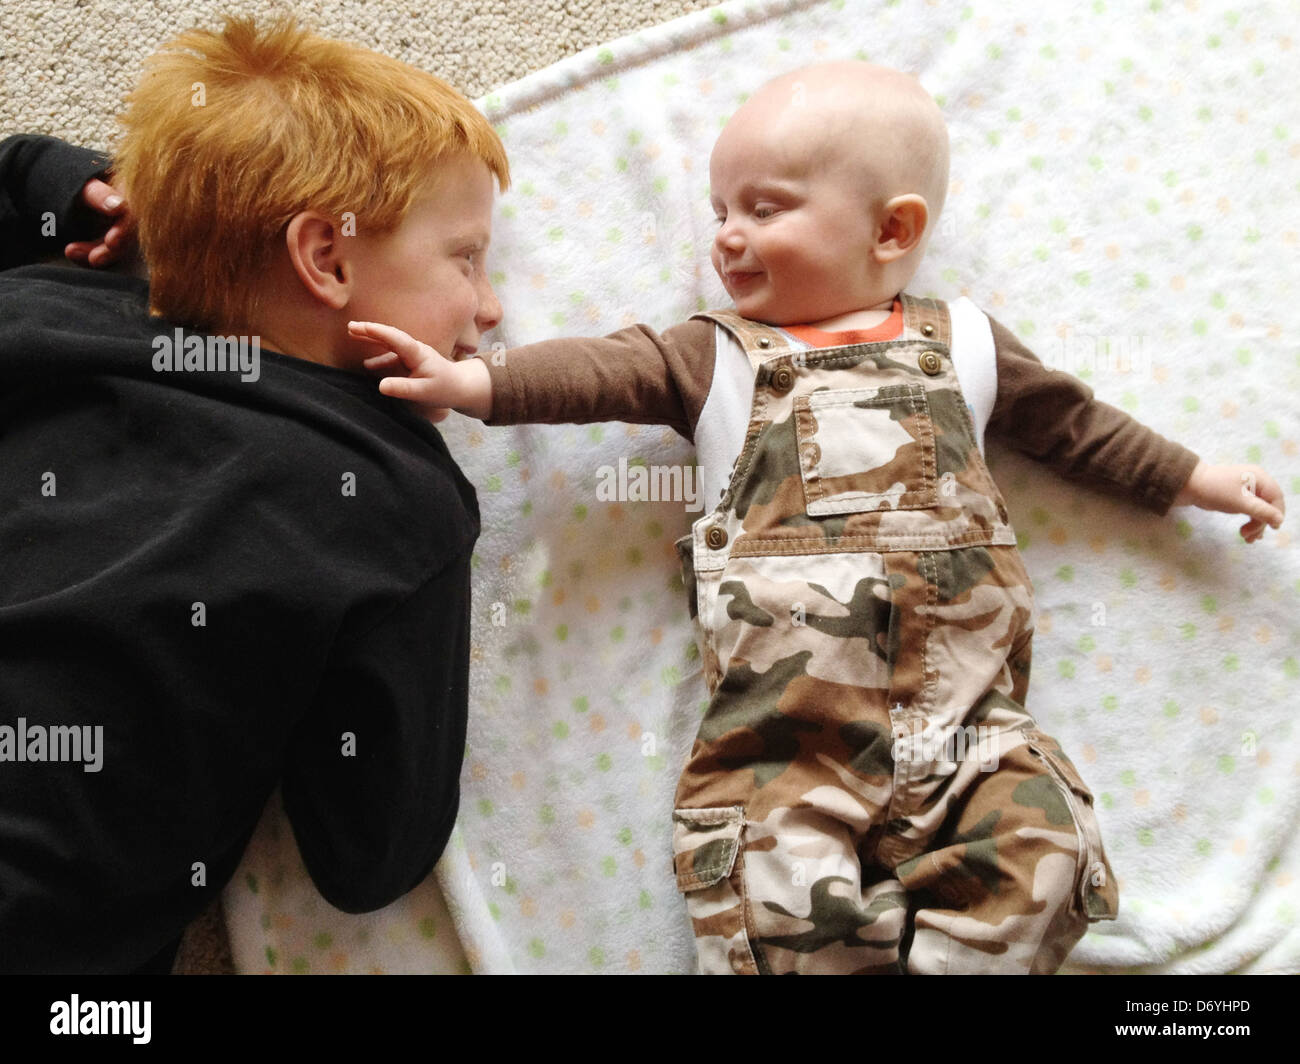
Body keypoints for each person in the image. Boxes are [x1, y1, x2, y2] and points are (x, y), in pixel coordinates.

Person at [348, 61, 1286, 974]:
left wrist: (1194, 476)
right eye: (720, 212)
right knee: (772, 908)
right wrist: (470, 382)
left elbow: (1076, 427)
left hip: (970, 730)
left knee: (1047, 857)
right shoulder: (712, 355)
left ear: (891, 230)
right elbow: (597, 370)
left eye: (764, 208)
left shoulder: (962, 342)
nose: (726, 237)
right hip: (782, 740)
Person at [0, 15, 507, 974]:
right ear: (327, 258)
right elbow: (372, 854)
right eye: (466, 258)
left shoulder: (39, 307)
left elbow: (10, 176)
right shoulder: (390, 488)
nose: (491, 307)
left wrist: (61, 185)